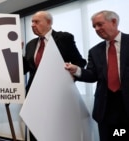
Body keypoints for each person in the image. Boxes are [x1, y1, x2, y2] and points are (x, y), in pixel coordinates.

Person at [65, 10, 129, 141]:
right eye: (94, 26)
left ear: (114, 22)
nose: (97, 29)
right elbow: (92, 75)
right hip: (106, 109)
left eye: (100, 24)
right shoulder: (95, 51)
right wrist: (76, 70)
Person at [23, 11, 86, 141]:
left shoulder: (64, 38)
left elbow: (80, 62)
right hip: (34, 97)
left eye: (37, 21)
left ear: (49, 22)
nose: (32, 25)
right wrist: (16, 54)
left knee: (57, 133)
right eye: (32, 22)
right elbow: (25, 69)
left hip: (58, 97)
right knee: (35, 133)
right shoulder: (30, 45)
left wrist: (71, 77)